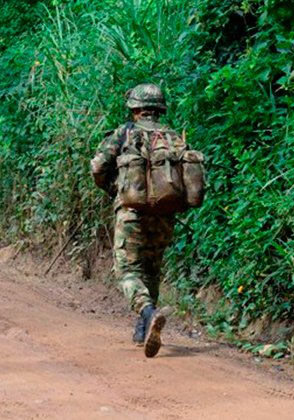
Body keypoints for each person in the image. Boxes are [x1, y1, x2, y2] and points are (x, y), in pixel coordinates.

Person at [90, 83, 182, 358]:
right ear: (158, 109)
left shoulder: (124, 133)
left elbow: (97, 167)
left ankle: (147, 312)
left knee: (128, 271)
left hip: (131, 213)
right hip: (164, 214)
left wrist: (112, 189)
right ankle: (143, 330)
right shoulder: (172, 136)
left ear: (135, 108)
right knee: (152, 270)